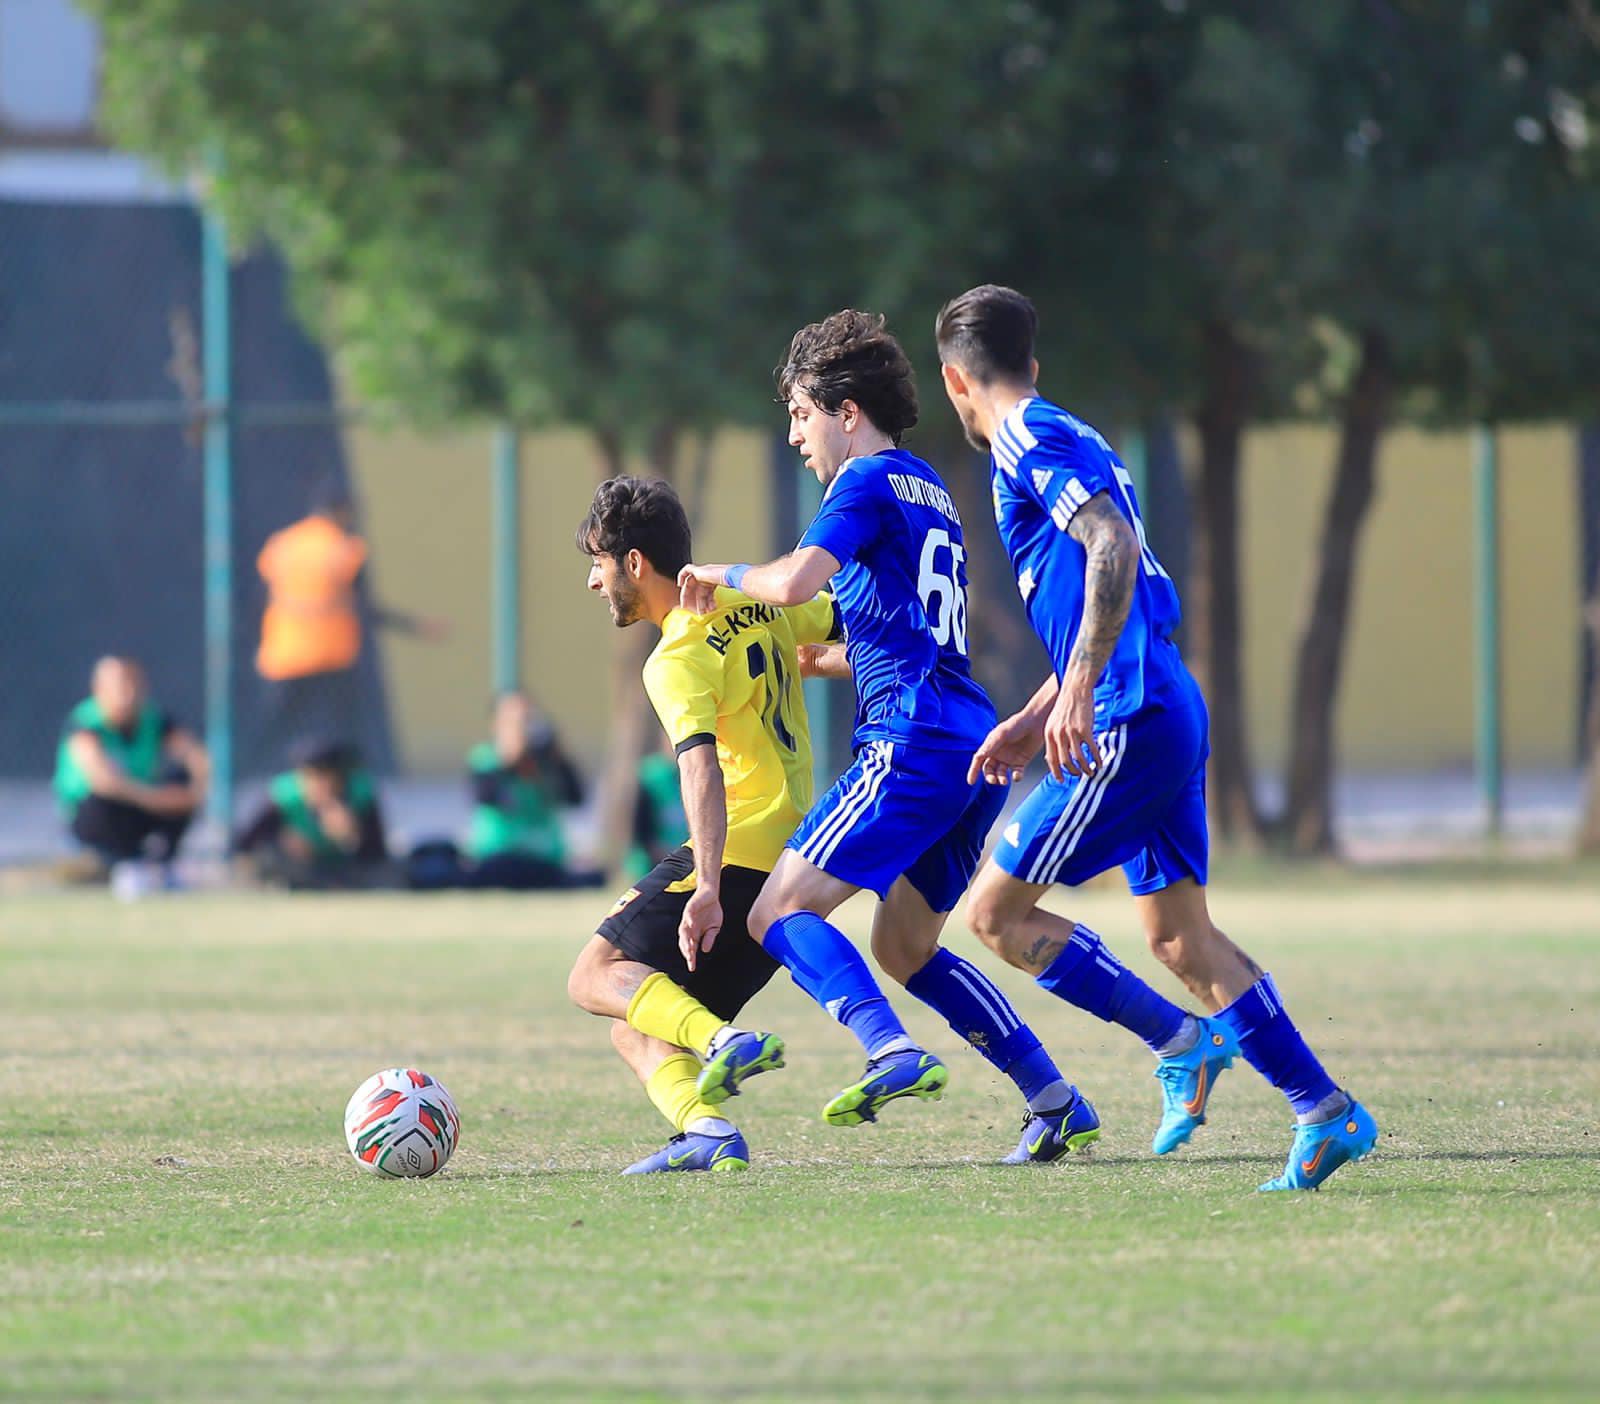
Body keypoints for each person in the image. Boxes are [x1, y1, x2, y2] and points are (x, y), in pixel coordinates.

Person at [935, 283, 1378, 1192]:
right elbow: (1109, 596)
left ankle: (1179, 1046)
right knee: (1179, 939)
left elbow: (1112, 548)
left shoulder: (1025, 436)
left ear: (954, 381)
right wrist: (1037, 713)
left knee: (992, 916)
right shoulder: (1072, 433)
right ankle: (1324, 1110)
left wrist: (1080, 690)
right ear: (1032, 361)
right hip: (1160, 698)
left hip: (1127, 715)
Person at [677, 310, 1099, 1161]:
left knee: (776, 910)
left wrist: (715, 574)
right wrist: (822, 659)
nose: (794, 435)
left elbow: (795, 582)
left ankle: (890, 1050)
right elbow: (911, 633)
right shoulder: (927, 486)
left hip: (909, 739)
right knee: (904, 945)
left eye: (800, 414)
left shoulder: (863, 482)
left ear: (846, 412)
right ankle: (1055, 1101)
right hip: (966, 739)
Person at [566, 475, 833, 1173]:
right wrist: (812, 663)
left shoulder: (676, 657)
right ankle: (708, 1132)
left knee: (593, 976)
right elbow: (851, 627)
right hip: (795, 862)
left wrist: (707, 884)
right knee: (637, 1023)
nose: (593, 582)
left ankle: (721, 1044)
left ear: (633, 563)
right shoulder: (756, 601)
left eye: (598, 563)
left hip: (738, 851)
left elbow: (701, 771)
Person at [255, 483, 444, 763]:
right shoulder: (345, 549)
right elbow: (366, 607)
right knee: (340, 728)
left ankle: (255, 771)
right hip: (332, 654)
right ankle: (342, 776)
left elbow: (261, 596)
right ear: (342, 511)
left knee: (278, 725)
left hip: (285, 652)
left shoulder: (283, 544)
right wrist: (414, 626)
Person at [53, 656, 208, 873]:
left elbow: (196, 757)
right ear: (99, 690)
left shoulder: (152, 718)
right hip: (97, 813)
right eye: (119, 686)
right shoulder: (85, 723)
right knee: (101, 803)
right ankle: (107, 862)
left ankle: (161, 862)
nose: (128, 693)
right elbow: (102, 781)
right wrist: (156, 799)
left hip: (138, 803)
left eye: (133, 684)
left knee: (180, 781)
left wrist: (197, 793)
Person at [233, 739, 392, 889]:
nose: (316, 784)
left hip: (345, 868)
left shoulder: (359, 794)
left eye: (324, 776)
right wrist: (283, 843)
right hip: (301, 869)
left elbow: (377, 852)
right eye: (309, 776)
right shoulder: (286, 796)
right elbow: (246, 842)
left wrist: (353, 837)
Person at [624, 736, 690, 880]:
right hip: (651, 859)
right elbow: (636, 820)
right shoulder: (649, 775)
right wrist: (652, 848)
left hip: (686, 857)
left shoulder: (700, 772)